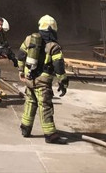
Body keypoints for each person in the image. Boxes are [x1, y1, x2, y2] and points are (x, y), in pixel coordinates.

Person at [17, 15, 69, 144]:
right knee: (45, 106)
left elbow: (21, 55)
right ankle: (50, 135)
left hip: (30, 78)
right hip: (43, 81)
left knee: (30, 102)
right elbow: (58, 66)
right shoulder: (54, 46)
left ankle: (25, 128)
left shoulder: (29, 39)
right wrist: (63, 81)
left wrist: (21, 71)